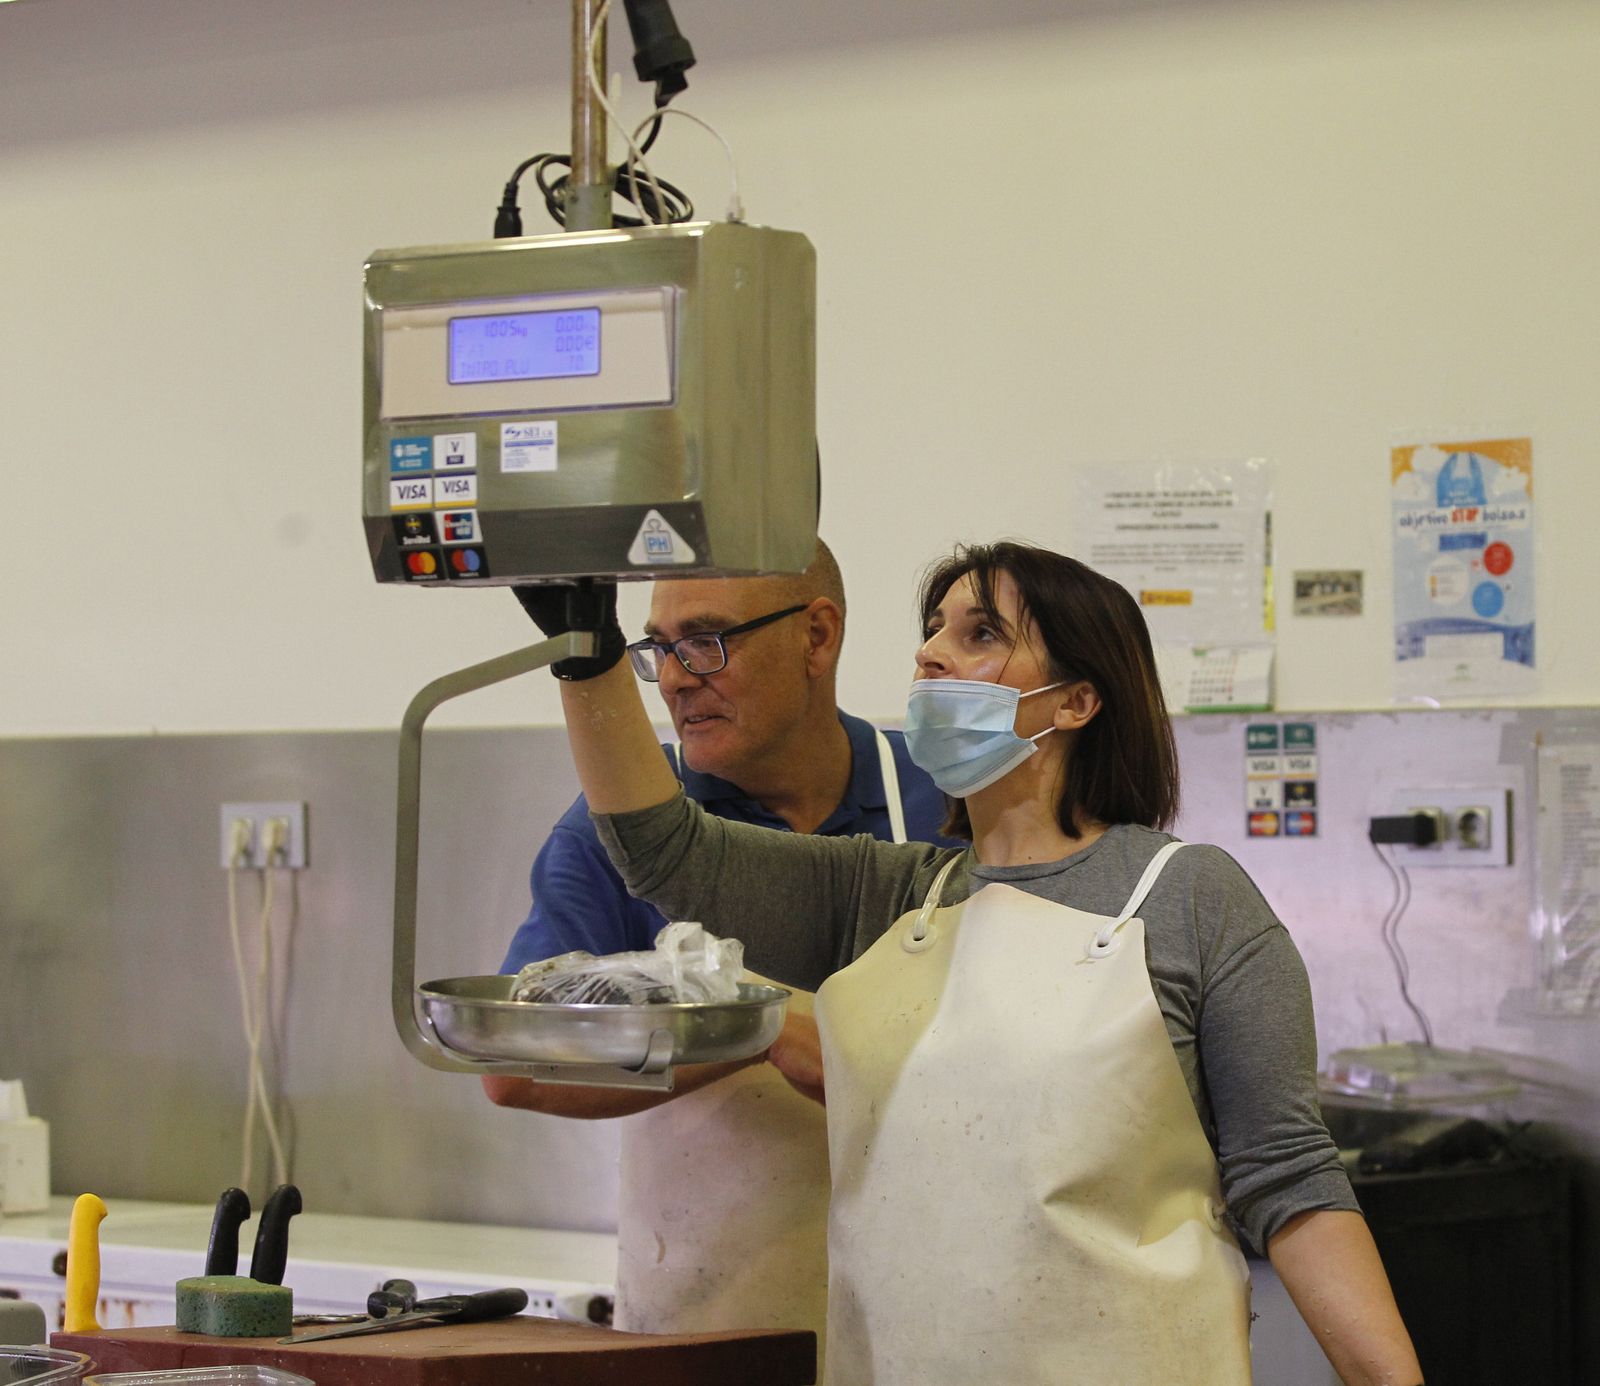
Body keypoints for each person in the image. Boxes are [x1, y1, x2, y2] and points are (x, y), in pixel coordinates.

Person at [519, 540, 1424, 1386]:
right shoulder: (890, 895)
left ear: (1077, 700)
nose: (931, 657)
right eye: (933, 633)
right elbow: (663, 851)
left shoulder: (1189, 897)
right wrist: (586, 655)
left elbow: (1291, 1180)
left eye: (980, 633)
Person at [483, 540, 955, 1358]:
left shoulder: (944, 802)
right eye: (657, 649)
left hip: (939, 1316)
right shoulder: (615, 829)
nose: (672, 677)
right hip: (714, 1323)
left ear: (817, 636)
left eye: (705, 641)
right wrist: (752, 1033)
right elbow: (514, 1066)